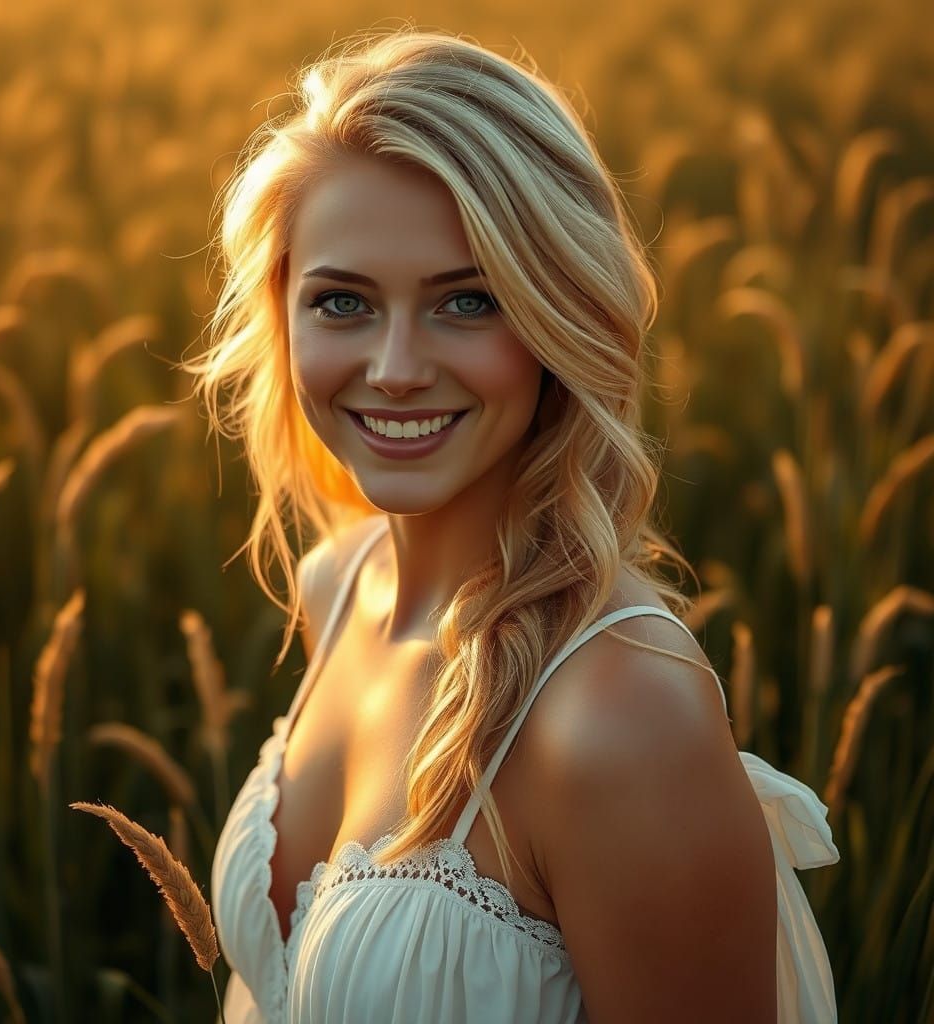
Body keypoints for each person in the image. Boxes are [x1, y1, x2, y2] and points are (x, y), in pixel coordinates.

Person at [190, 27, 840, 1023]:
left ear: (558, 313)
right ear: (281, 313)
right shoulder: (340, 584)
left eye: (465, 299)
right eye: (342, 301)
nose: (397, 366)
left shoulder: (619, 717)